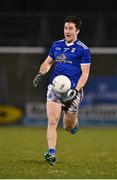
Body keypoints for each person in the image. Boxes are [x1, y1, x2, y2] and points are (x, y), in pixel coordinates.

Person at [33, 15, 91, 165]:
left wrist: (76, 90)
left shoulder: (83, 50)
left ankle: (74, 122)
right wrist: (41, 73)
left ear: (77, 31)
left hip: (73, 91)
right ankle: (51, 153)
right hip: (55, 88)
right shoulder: (56, 45)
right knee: (52, 121)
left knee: (67, 126)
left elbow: (85, 73)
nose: (67, 31)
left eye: (71, 28)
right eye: (66, 28)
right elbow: (47, 63)